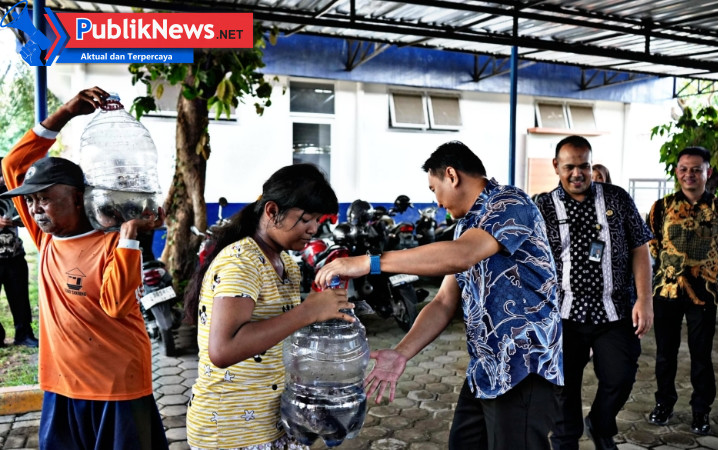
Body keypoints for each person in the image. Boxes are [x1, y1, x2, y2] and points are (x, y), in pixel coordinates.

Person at [315, 141, 563, 450]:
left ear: (452, 175)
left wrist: (370, 263)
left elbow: (462, 255)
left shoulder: (510, 203)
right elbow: (443, 301)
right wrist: (401, 353)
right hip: (485, 370)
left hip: (522, 370)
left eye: (434, 189)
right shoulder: (466, 226)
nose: (438, 201)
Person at [0, 87, 169, 449]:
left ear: (79, 197)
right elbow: (13, 166)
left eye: (44, 198)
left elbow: (116, 304)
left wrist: (129, 234)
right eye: (30, 201)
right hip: (60, 385)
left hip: (116, 388)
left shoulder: (114, 243)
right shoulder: (47, 237)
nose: (34, 210)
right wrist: (66, 112)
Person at [183, 164, 354, 449]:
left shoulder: (285, 262)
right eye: (306, 219)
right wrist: (308, 311)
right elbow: (223, 350)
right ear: (272, 211)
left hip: (275, 420)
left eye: (317, 220)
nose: (313, 228)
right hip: (231, 430)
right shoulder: (241, 262)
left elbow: (279, 328)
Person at [535, 136, 653, 450]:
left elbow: (640, 248)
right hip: (563, 313)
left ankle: (601, 425)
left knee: (621, 376)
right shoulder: (543, 206)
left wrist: (645, 299)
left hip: (615, 310)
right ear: (556, 167)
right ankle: (565, 438)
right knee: (563, 384)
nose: (577, 173)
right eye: (569, 166)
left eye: (583, 166)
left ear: (591, 164)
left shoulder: (617, 198)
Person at [647, 146, 718, 435]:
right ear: (677, 172)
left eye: (696, 169)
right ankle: (664, 403)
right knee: (665, 354)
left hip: (704, 293)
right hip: (666, 292)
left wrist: (707, 273)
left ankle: (701, 410)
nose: (690, 174)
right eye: (684, 169)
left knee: (701, 354)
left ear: (707, 173)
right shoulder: (660, 207)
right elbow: (654, 244)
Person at [0, 163, 37, 348]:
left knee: (20, 298)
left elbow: (28, 218)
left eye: (2, 175)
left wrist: (15, 219)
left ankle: (24, 335)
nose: (1, 179)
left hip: (15, 255)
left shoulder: (14, 194)